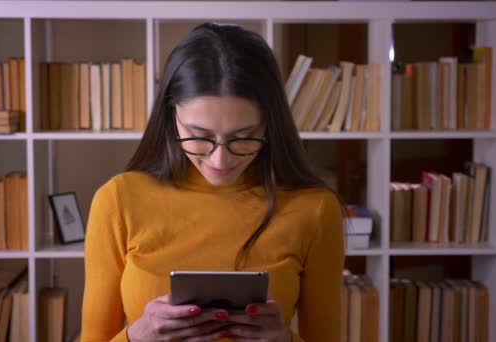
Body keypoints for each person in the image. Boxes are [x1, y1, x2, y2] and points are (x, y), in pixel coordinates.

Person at [81, 22, 344, 341]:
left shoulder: (314, 209)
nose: (221, 161)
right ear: (171, 115)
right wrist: (137, 336)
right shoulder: (118, 200)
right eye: (199, 136)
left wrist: (283, 339)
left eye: (244, 137)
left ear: (271, 124)